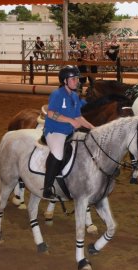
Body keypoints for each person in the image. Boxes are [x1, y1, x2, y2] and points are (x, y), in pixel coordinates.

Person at [42, 66, 95, 199]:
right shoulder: (57, 94)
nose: (76, 81)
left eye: (77, 78)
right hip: (55, 131)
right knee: (58, 154)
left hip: (70, 132)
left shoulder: (75, 96)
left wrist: (93, 128)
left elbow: (78, 117)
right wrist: (70, 121)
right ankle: (47, 188)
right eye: (73, 79)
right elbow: (50, 113)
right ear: (65, 81)